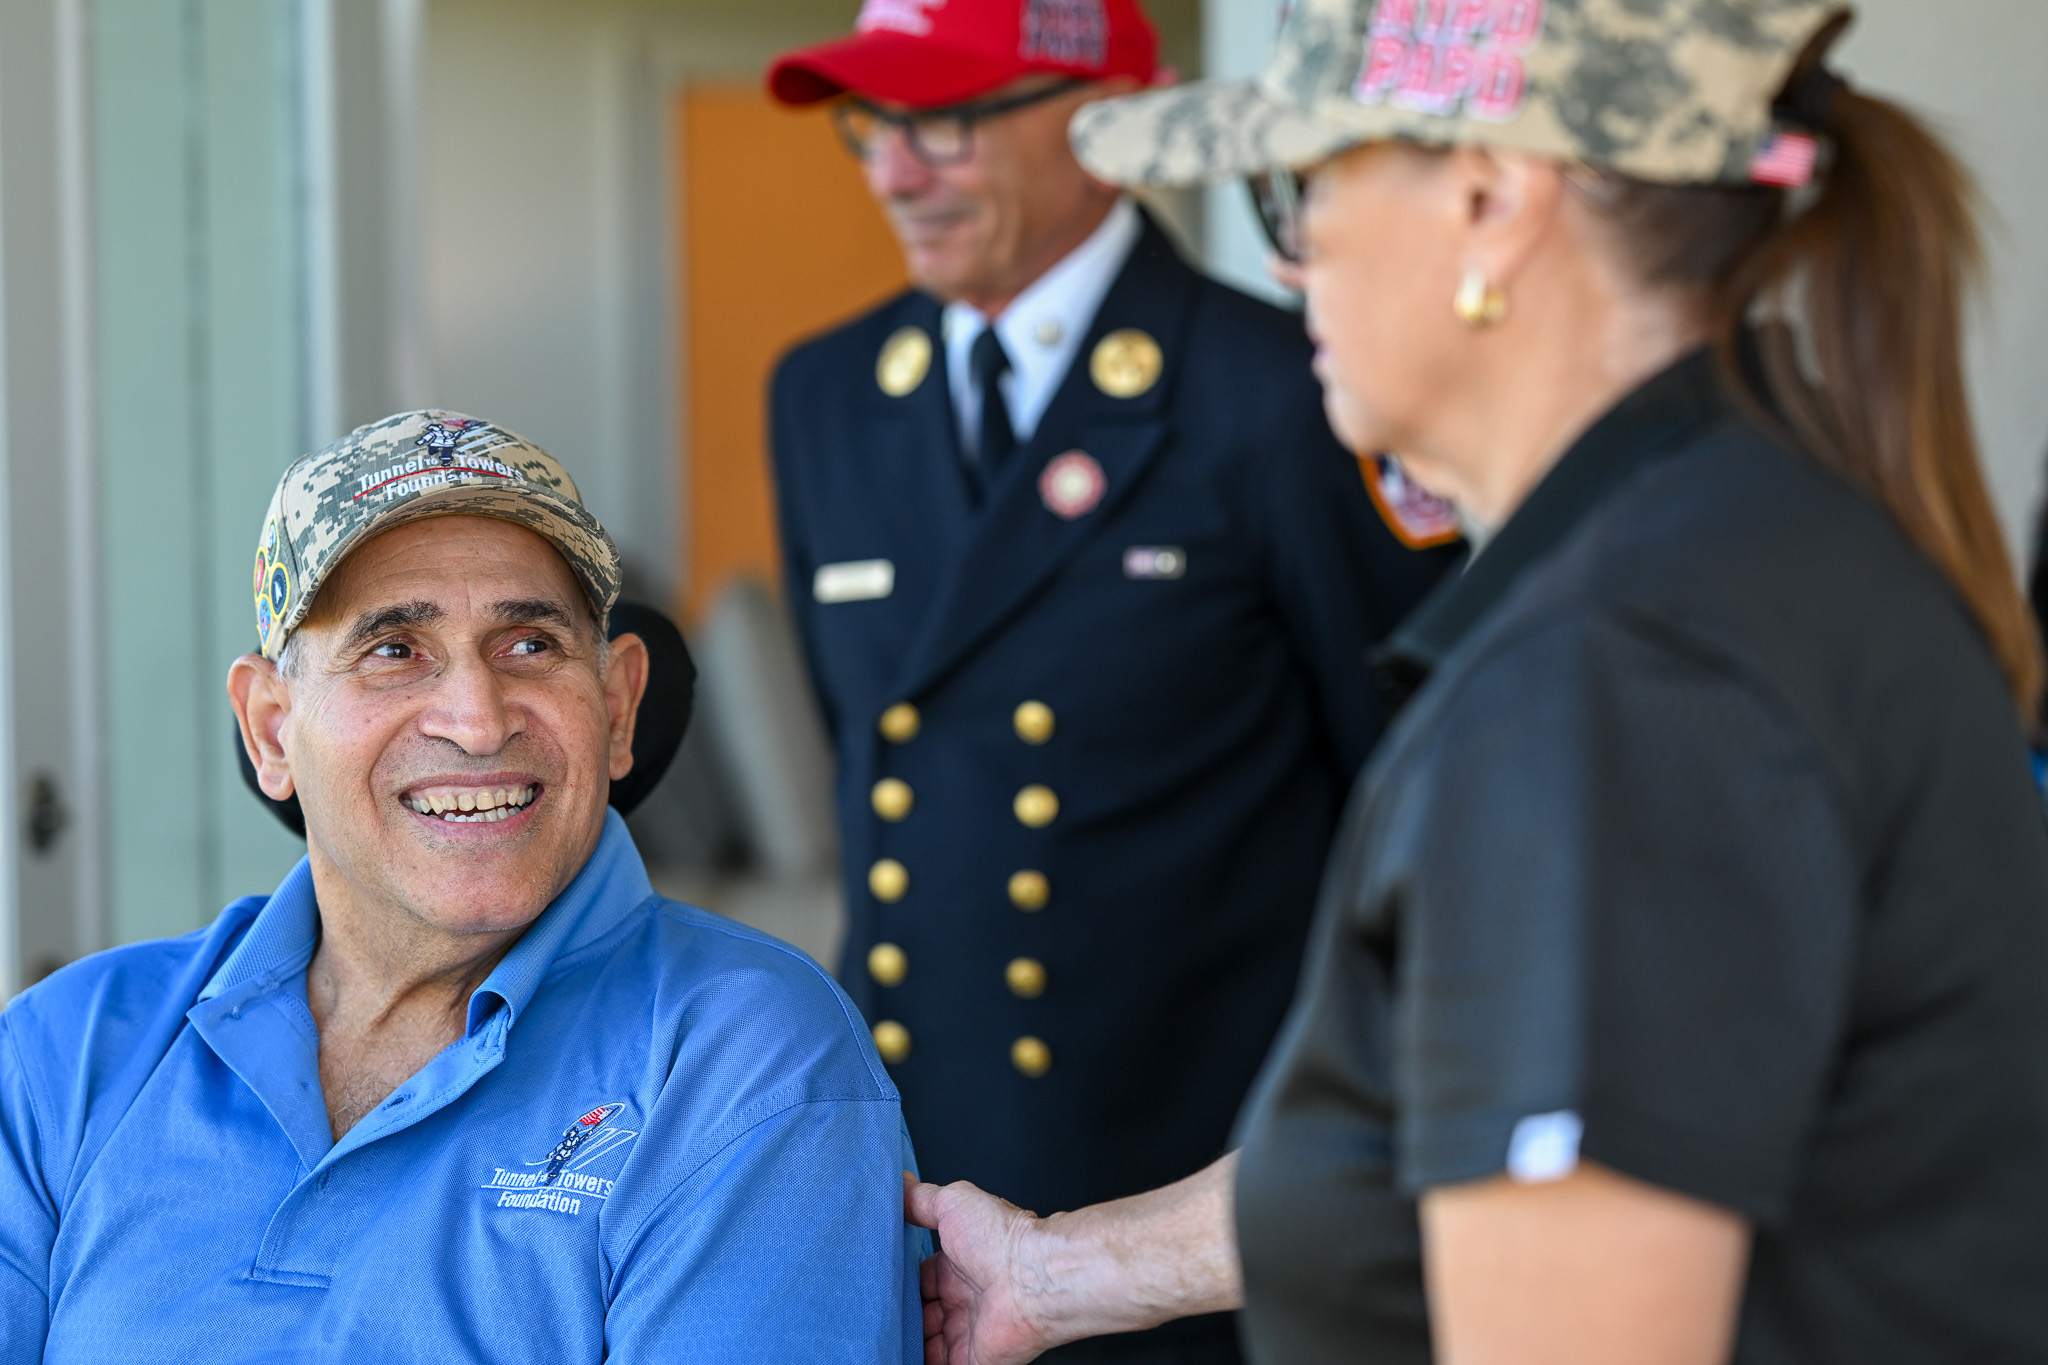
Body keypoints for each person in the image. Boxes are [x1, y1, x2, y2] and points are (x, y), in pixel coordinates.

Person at [906, 0, 2048, 1361]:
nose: (1286, 263)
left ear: (1492, 201)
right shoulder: (1742, 546)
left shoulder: (1619, 676)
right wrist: (1058, 1274)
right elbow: (1481, 1145)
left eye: (1301, 190)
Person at [766, 6, 1457, 1360]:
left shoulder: (1285, 389)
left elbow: (1417, 798)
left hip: (1197, 1207)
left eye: (942, 124)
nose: (894, 172)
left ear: (1107, 126)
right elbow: (877, 761)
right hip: (913, 1191)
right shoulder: (825, 394)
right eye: (873, 126)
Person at [0, 411, 925, 1361]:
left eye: (529, 643)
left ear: (617, 708)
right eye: (395, 649)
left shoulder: (750, 1064)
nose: (478, 720)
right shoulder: (63, 1051)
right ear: (272, 729)